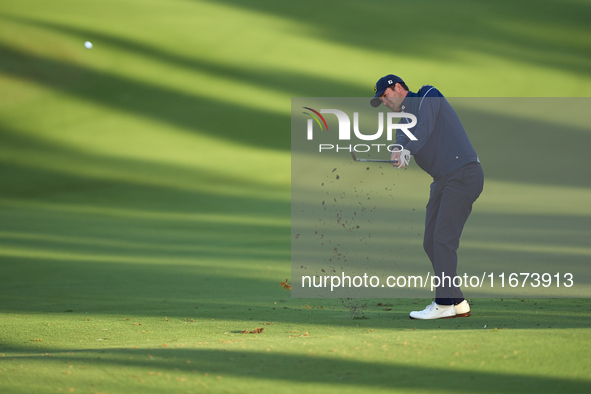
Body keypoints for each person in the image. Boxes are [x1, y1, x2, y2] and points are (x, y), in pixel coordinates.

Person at [370, 74, 484, 319]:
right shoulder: (404, 121)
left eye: (385, 96)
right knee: (431, 242)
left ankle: (443, 305)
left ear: (398, 88)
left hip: (463, 173)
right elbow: (403, 138)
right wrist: (398, 151)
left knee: (443, 239)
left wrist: (408, 149)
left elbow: (426, 125)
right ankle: (458, 301)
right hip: (443, 180)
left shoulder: (428, 94)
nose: (385, 103)